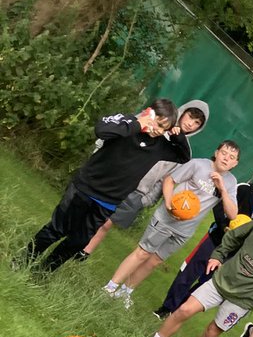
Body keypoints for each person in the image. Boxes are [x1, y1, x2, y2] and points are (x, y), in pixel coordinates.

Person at [20, 99, 187, 270]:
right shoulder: (126, 122)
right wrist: (137, 124)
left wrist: (178, 135)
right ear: (149, 112)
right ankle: (23, 261)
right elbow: (101, 130)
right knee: (57, 229)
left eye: (164, 129)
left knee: (79, 241)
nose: (158, 131)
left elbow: (184, 157)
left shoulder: (160, 146)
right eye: (158, 124)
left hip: (108, 201)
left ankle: (42, 272)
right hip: (85, 188)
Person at [102, 141, 240, 307]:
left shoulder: (231, 182)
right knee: (143, 253)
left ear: (235, 163)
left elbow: (232, 214)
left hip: (185, 230)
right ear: (217, 152)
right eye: (224, 153)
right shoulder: (198, 164)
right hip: (166, 218)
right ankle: (110, 287)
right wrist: (168, 202)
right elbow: (170, 180)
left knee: (155, 261)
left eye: (231, 157)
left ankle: (125, 291)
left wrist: (223, 189)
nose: (226, 158)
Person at [80, 101, 209, 257]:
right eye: (190, 117)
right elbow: (119, 131)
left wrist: (146, 199)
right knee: (87, 213)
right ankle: (74, 240)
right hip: (114, 177)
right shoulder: (152, 120)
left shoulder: (181, 148)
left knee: (106, 224)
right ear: (182, 112)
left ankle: (84, 252)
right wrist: (98, 149)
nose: (190, 124)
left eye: (197, 123)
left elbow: (168, 178)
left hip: (138, 192)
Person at [154, 170, 253, 317]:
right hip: (215, 239)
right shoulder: (244, 189)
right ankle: (166, 308)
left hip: (232, 254)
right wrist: (224, 226)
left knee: (206, 283)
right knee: (188, 274)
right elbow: (219, 205)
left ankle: (179, 311)